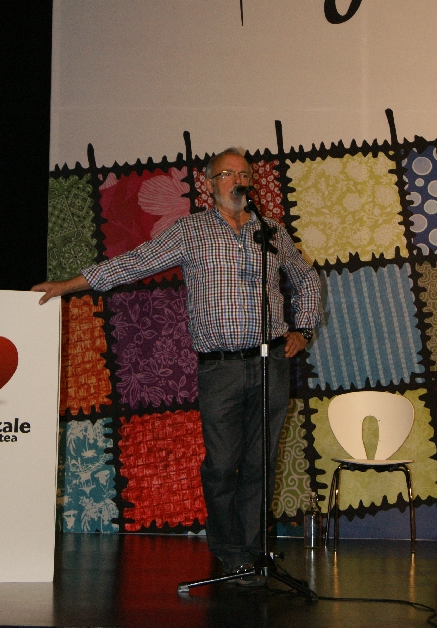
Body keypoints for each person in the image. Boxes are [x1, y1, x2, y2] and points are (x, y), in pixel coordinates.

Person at [32, 147, 321, 575]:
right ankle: (229, 552)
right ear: (209, 183)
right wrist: (66, 285)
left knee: (261, 464)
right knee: (221, 465)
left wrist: (304, 329)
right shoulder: (191, 231)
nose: (238, 180)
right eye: (228, 173)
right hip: (220, 368)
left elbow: (306, 278)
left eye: (244, 174)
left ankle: (255, 554)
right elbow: (133, 264)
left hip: (270, 362)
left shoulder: (271, 231)